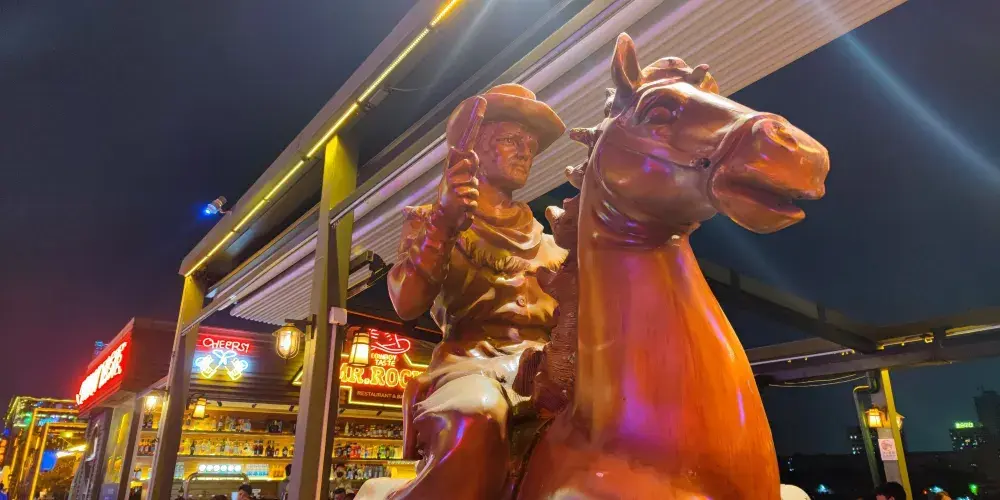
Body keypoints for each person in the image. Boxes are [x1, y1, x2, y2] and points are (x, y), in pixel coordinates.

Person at [387, 83, 566, 499]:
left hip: (550, 371)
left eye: (530, 145)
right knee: (477, 416)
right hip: (469, 367)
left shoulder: (555, 245)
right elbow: (406, 303)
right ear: (474, 151)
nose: (524, 152)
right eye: (511, 139)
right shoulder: (432, 221)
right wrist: (444, 223)